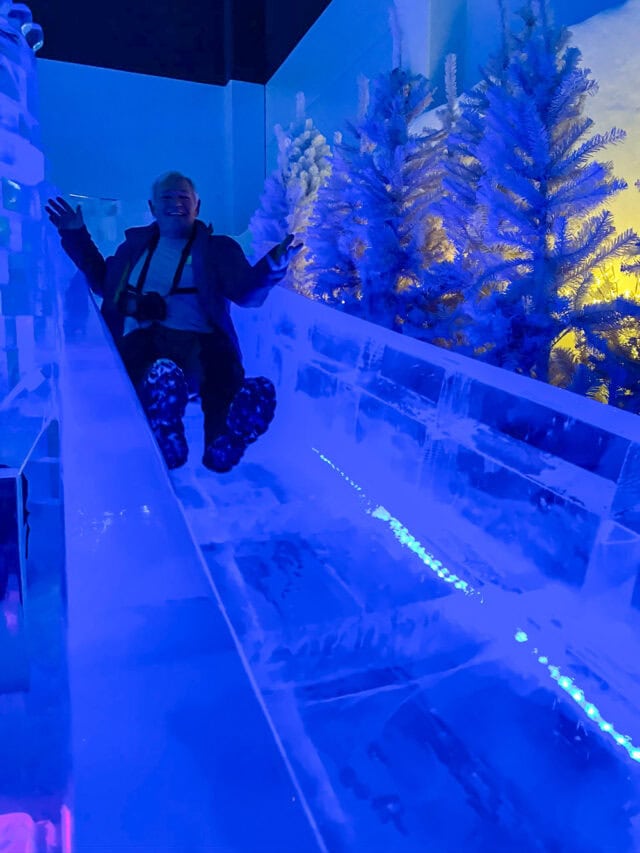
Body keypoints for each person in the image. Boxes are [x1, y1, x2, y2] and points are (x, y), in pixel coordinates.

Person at [46, 172, 296, 472]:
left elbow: (246, 294)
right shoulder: (132, 250)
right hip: (143, 347)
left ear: (197, 207)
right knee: (159, 371)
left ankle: (225, 437)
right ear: (152, 208)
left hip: (200, 348)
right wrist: (76, 235)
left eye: (183, 197)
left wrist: (270, 268)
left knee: (218, 373)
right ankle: (166, 433)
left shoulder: (217, 250)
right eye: (167, 197)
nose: (176, 203)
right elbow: (104, 284)